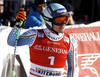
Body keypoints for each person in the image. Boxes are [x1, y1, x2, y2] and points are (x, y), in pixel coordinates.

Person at [7, 3, 78, 77]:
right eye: (59, 20)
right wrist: (18, 24)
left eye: (65, 19)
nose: (63, 24)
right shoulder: (34, 35)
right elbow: (11, 42)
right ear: (49, 20)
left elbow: (73, 69)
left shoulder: (70, 41)